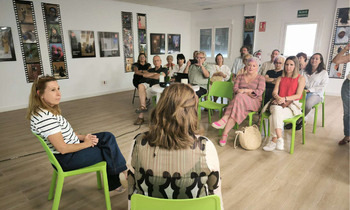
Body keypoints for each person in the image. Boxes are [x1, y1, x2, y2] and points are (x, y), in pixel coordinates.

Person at [27, 76, 127, 195]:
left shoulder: (45, 111)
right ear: (40, 94)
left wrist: (83, 137)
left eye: (58, 88)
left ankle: (121, 170)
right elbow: (63, 149)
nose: (59, 94)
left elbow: (67, 134)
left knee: (107, 137)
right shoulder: (45, 118)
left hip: (73, 147)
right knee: (108, 150)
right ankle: (117, 180)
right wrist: (87, 144)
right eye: (53, 90)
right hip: (68, 159)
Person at [128, 83, 223, 208]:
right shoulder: (206, 147)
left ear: (160, 108)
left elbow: (131, 192)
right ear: (192, 111)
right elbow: (215, 194)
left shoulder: (138, 142)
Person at [212, 57, 265, 146]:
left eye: (254, 66)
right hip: (239, 102)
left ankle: (225, 119)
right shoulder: (240, 76)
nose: (251, 67)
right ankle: (224, 134)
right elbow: (235, 89)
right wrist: (245, 92)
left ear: (257, 67)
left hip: (254, 102)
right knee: (238, 104)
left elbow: (259, 92)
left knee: (239, 96)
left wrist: (245, 91)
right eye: (249, 65)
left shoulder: (261, 78)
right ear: (246, 66)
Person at [263, 56, 306, 152]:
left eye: (291, 65)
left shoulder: (301, 78)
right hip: (277, 103)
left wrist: (284, 98)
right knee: (277, 110)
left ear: (295, 66)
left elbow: (298, 95)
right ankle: (279, 138)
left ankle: (274, 140)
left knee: (273, 117)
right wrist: (278, 98)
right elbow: (274, 92)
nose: (288, 67)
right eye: (287, 64)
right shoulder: (280, 78)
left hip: (292, 106)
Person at [134, 55, 168, 125]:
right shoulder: (151, 69)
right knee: (140, 86)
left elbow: (159, 76)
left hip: (158, 89)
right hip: (150, 87)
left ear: (160, 61)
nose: (156, 62)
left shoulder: (164, 69)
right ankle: (142, 109)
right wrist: (154, 74)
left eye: (157, 60)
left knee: (144, 93)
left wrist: (152, 75)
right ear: (153, 62)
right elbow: (144, 75)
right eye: (154, 61)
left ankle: (156, 118)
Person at [300, 53, 329, 127]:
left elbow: (323, 86)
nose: (314, 60)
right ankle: (295, 119)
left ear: (320, 61)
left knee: (307, 105)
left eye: (316, 59)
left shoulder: (324, 73)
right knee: (295, 103)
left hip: (316, 94)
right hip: (303, 91)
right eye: (312, 58)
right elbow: (299, 80)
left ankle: (299, 120)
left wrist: (310, 90)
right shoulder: (304, 71)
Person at [332, 43, 350, 145]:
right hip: (348, 86)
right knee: (348, 113)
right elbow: (336, 61)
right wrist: (345, 49)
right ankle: (347, 135)